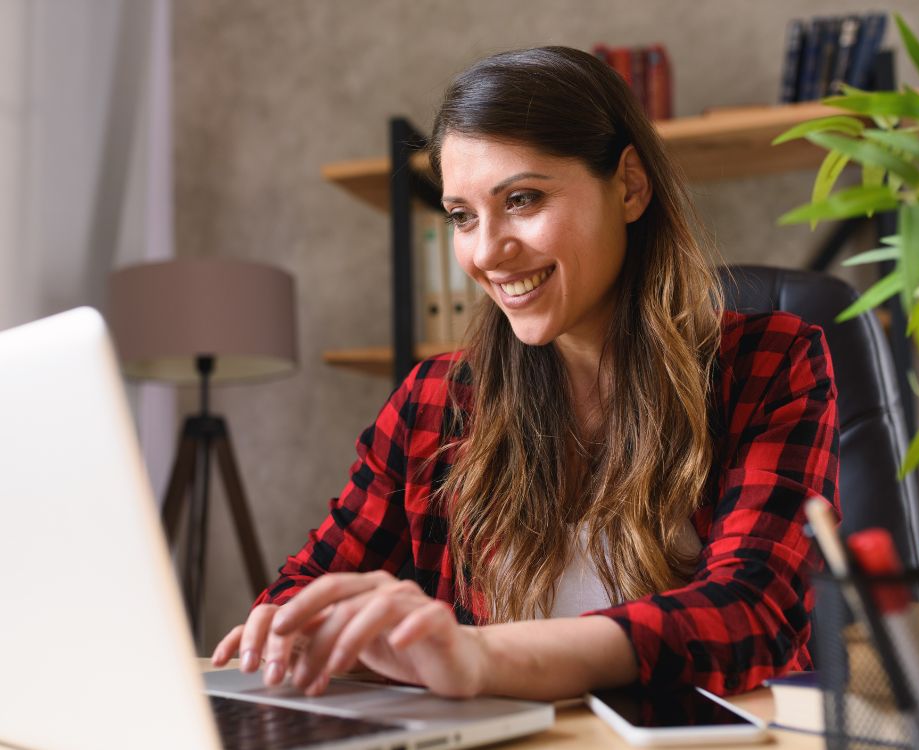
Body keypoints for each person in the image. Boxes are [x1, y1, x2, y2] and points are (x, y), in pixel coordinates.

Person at [212, 46, 839, 703]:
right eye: (462, 216)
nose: (485, 252)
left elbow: (750, 614)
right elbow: (301, 595)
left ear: (629, 185)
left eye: (523, 199)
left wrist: (478, 657)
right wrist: (308, 627)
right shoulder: (437, 399)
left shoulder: (772, 363)